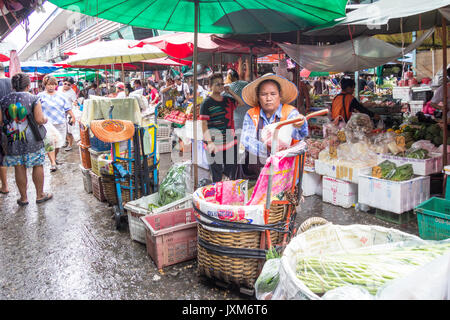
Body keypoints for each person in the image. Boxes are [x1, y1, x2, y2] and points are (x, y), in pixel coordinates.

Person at [239, 74, 308, 179]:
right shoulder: (251, 114)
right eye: (263, 94)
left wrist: (301, 124)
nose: (268, 98)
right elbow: (246, 140)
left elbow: (300, 135)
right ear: (258, 97)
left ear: (280, 95)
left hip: (284, 174)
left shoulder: (290, 112)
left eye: (273, 94)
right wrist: (268, 149)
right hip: (256, 174)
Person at [0, 73, 53, 206]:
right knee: (37, 164)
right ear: (28, 86)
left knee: (19, 166)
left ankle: (23, 198)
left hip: (12, 140)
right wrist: (45, 119)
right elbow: (39, 119)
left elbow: (1, 121)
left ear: (13, 86)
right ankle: (40, 195)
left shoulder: (3, 100)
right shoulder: (34, 98)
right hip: (33, 140)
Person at [200, 73, 245, 182]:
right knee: (216, 174)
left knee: (231, 172)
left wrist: (230, 91)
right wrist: (210, 143)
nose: (220, 86)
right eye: (217, 84)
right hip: (214, 144)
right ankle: (218, 194)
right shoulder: (206, 103)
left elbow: (241, 103)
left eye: (222, 84)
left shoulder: (227, 100)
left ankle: (228, 194)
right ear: (210, 86)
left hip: (230, 142)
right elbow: (204, 124)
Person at [38, 75, 75, 172]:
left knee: (58, 143)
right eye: (48, 85)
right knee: (49, 143)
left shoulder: (61, 96)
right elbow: (37, 109)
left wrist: (73, 117)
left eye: (53, 84)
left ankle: (55, 158)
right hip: (47, 124)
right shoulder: (40, 96)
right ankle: (53, 163)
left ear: (56, 85)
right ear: (45, 85)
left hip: (60, 123)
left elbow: (67, 108)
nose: (50, 87)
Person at [0, 62, 12, 194]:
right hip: (15, 124)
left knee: (1, 156)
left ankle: (5, 186)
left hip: (0, 124)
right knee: (16, 155)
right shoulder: (12, 82)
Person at [60, 77, 78, 152]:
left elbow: (75, 102)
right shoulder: (59, 89)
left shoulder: (72, 92)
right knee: (62, 128)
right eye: (65, 84)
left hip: (68, 112)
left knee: (68, 130)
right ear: (62, 82)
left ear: (71, 85)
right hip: (59, 112)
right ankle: (65, 141)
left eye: (68, 84)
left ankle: (70, 145)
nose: (66, 85)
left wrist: (74, 108)